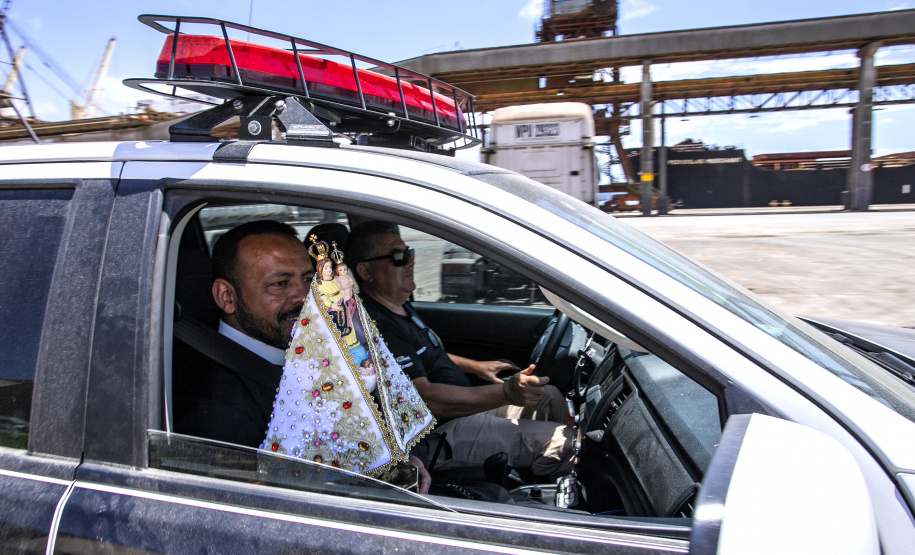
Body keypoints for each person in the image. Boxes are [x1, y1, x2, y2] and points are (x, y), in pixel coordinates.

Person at [175, 220, 432, 491]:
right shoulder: (217, 408)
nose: (304, 296)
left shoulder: (320, 351)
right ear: (227, 296)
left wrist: (406, 459)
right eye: (279, 283)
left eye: (309, 279)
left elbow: (390, 419)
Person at [347, 221, 573, 477]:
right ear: (366, 271)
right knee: (565, 444)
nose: (410, 262)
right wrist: (507, 393)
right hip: (439, 429)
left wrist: (476, 367)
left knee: (549, 397)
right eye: (398, 257)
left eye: (409, 253)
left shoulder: (397, 306)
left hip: (459, 407)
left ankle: (535, 475)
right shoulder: (375, 327)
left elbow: (422, 355)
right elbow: (426, 399)